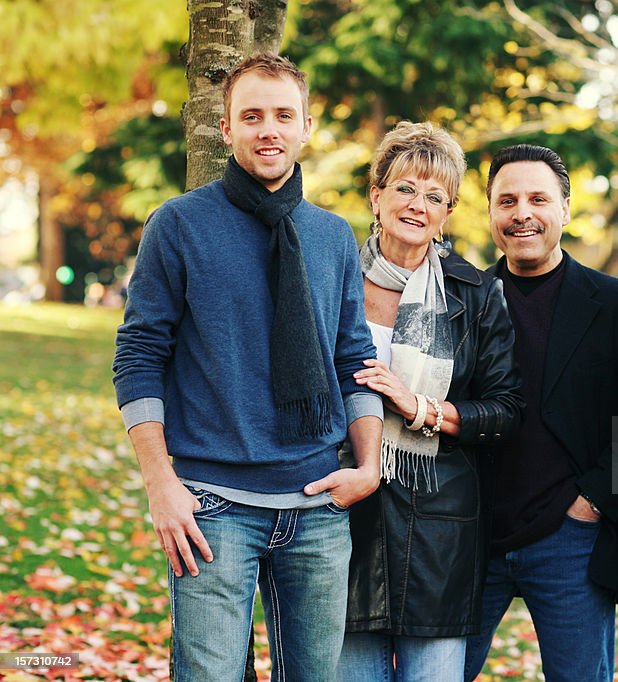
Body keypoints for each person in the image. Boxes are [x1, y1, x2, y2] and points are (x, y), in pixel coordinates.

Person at [112, 53, 383, 681]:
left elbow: (353, 359)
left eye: (283, 115)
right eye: (252, 115)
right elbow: (139, 356)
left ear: (306, 126)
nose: (269, 129)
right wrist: (160, 485)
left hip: (319, 507)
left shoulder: (333, 235)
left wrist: (368, 467)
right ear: (227, 128)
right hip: (212, 508)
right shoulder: (177, 226)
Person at [340, 121, 523, 681]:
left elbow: (506, 409)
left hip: (439, 524)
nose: (417, 205)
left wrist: (417, 405)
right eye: (404, 188)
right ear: (376, 196)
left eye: (434, 196)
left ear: (448, 212)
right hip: (342, 509)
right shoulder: (334, 276)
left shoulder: (474, 292)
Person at [463, 144, 618, 682]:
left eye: (538, 198)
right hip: (472, 536)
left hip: (571, 538)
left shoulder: (615, 304)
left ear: (565, 208)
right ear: (491, 212)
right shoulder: (465, 298)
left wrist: (591, 503)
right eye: (507, 200)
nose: (522, 213)